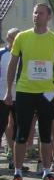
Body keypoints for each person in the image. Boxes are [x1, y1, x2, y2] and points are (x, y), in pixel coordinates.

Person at [6, 3, 54, 180]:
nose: (36, 16)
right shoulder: (22, 37)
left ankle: (47, 173)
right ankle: (18, 174)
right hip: (25, 91)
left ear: (48, 17)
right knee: (21, 133)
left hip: (47, 93)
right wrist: (8, 91)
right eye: (35, 12)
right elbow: (12, 64)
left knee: (45, 133)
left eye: (41, 13)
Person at [0, 29, 19, 168]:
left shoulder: (24, 54)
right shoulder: (1, 53)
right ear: (8, 38)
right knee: (1, 126)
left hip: (20, 96)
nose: (16, 40)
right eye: (13, 38)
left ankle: (16, 160)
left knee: (19, 129)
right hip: (2, 96)